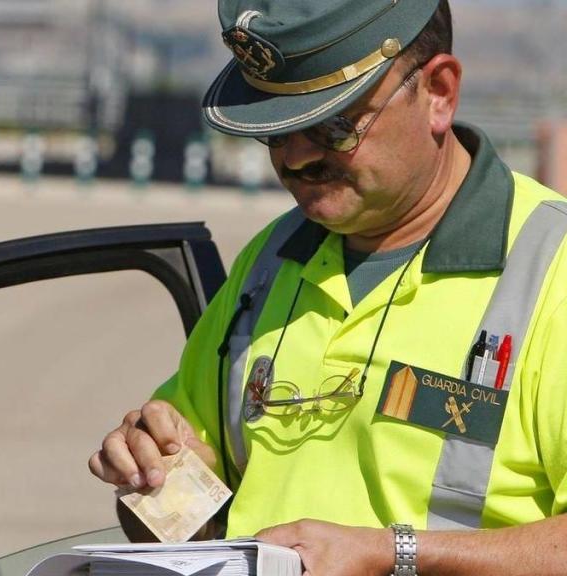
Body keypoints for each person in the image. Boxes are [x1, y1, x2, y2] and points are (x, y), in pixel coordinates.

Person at [89, 1, 567, 574]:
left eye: (333, 125)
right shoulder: (269, 261)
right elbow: (192, 529)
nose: (296, 158)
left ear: (439, 91)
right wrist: (151, 478)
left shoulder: (550, 270)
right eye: (276, 132)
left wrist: (393, 555)